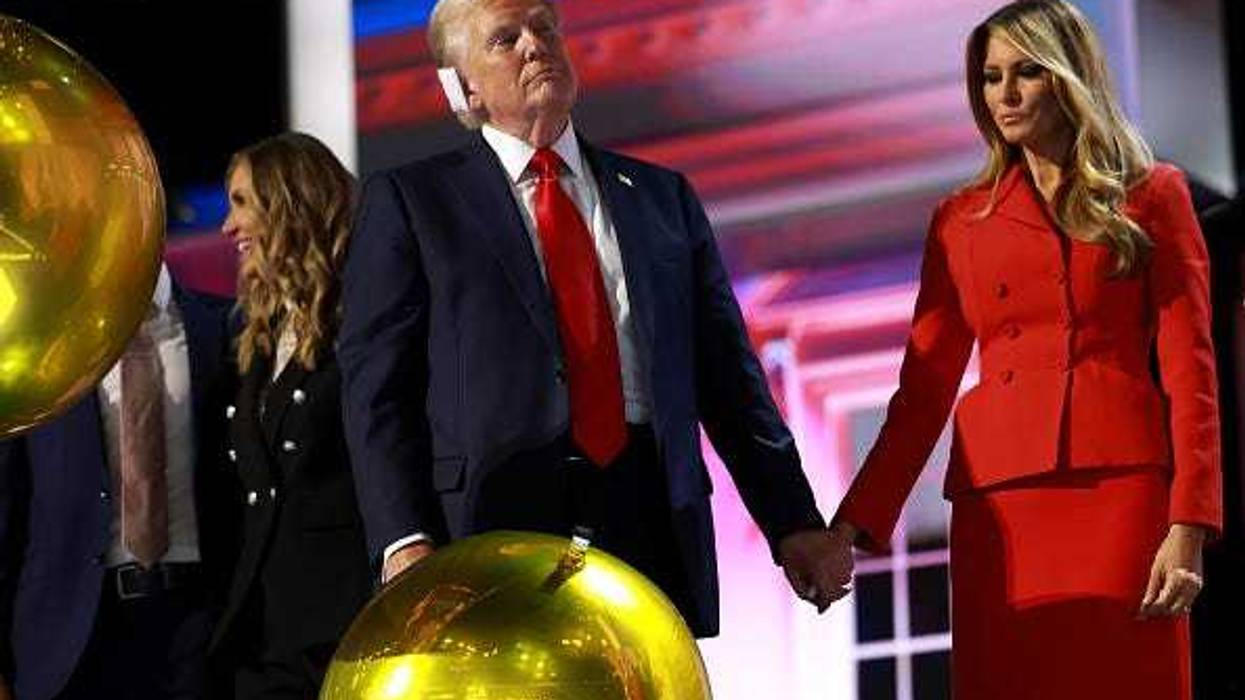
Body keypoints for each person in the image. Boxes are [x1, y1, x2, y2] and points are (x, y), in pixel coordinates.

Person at [338, 0, 846, 638]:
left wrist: (793, 520)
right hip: (492, 525)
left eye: (545, 27)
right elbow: (377, 389)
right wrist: (404, 537)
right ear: (464, 86)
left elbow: (729, 379)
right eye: (505, 39)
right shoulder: (413, 201)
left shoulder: (662, 198)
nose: (534, 44)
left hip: (648, 514)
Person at [822, 2, 1222, 698]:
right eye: (989, 77)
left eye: (1025, 72)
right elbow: (922, 392)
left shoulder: (1153, 195)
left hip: (1120, 487)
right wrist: (852, 524)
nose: (1003, 94)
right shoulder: (959, 221)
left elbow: (1191, 368)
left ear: (1068, 77)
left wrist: (1188, 524)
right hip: (998, 502)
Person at [0, 263, 237, 700]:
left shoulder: (226, 327)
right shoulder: (41, 347)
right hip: (69, 642)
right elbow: (7, 504)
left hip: (202, 630)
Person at [210, 132, 372, 698]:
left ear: (291, 202)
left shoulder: (368, 317)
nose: (228, 228)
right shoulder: (258, 336)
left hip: (346, 634)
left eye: (241, 203)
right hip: (262, 637)